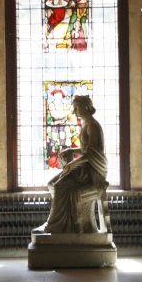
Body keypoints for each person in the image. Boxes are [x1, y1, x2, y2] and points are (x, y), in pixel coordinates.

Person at [35, 94, 107, 234]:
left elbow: (91, 153)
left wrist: (72, 163)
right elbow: (86, 149)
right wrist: (71, 151)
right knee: (52, 184)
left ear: (85, 108)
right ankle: (62, 223)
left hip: (90, 171)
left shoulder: (92, 126)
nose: (74, 112)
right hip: (83, 167)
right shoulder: (86, 124)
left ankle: (54, 226)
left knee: (59, 186)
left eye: (77, 108)